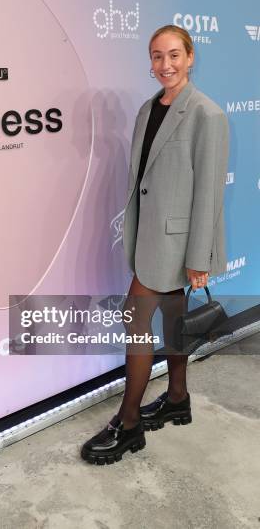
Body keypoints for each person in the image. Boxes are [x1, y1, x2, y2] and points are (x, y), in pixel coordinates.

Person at [81, 25, 229, 465]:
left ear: (190, 57)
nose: (165, 65)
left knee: (136, 321)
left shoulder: (208, 114)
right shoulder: (148, 108)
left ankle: (128, 425)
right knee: (173, 322)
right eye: (157, 56)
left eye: (174, 55)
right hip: (147, 237)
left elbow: (208, 191)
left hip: (178, 245)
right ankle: (178, 397)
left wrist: (198, 258)